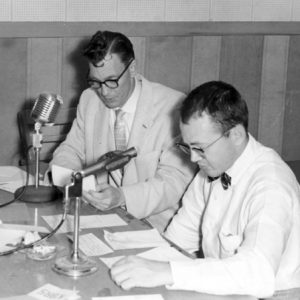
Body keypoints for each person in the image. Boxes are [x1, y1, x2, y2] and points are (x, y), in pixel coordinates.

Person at [110, 81, 300, 299]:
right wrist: (130, 263)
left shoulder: (271, 184)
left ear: (236, 135)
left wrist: (168, 272)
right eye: (187, 147)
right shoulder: (208, 172)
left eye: (199, 148)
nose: (192, 158)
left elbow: (257, 272)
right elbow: (177, 242)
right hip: (228, 292)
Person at [49, 30, 196, 232]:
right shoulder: (89, 99)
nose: (105, 92)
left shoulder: (174, 107)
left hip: (157, 227)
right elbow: (70, 150)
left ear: (132, 68)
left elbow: (174, 182)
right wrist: (71, 181)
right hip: (102, 220)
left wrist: (123, 197)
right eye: (96, 82)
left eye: (111, 80)